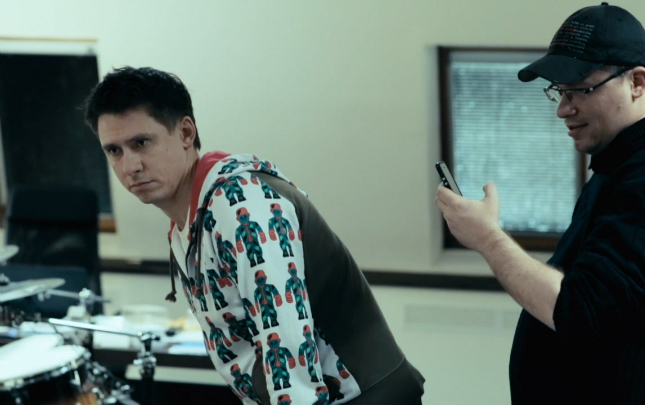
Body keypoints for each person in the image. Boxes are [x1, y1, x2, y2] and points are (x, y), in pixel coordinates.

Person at [84, 66, 424, 404]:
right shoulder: (191, 217)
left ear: (186, 133)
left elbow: (287, 353)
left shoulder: (240, 205)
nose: (130, 166)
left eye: (141, 143)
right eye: (114, 150)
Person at [435, 3, 645, 404]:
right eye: (560, 92)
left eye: (580, 90)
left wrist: (486, 238)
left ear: (637, 82)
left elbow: (578, 309)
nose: (563, 110)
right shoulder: (620, 166)